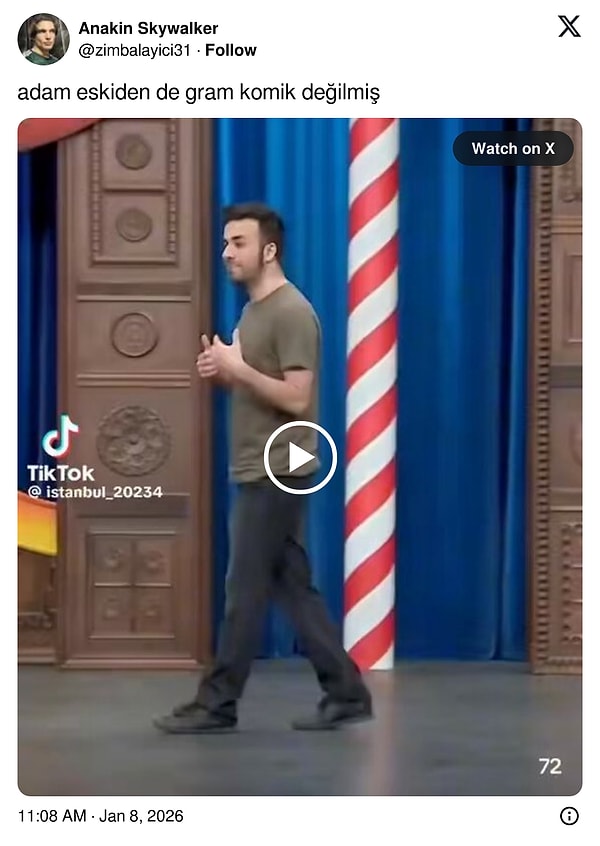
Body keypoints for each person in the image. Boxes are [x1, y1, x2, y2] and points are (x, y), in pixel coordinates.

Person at [153, 203, 373, 733]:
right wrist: (226, 372)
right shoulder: (255, 312)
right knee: (292, 586)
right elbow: (261, 383)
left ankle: (218, 702)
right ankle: (347, 692)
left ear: (269, 250)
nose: (227, 253)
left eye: (239, 243)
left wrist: (239, 369)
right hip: (263, 463)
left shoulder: (290, 312)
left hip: (279, 466)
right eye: (226, 243)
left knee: (244, 590)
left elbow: (297, 397)